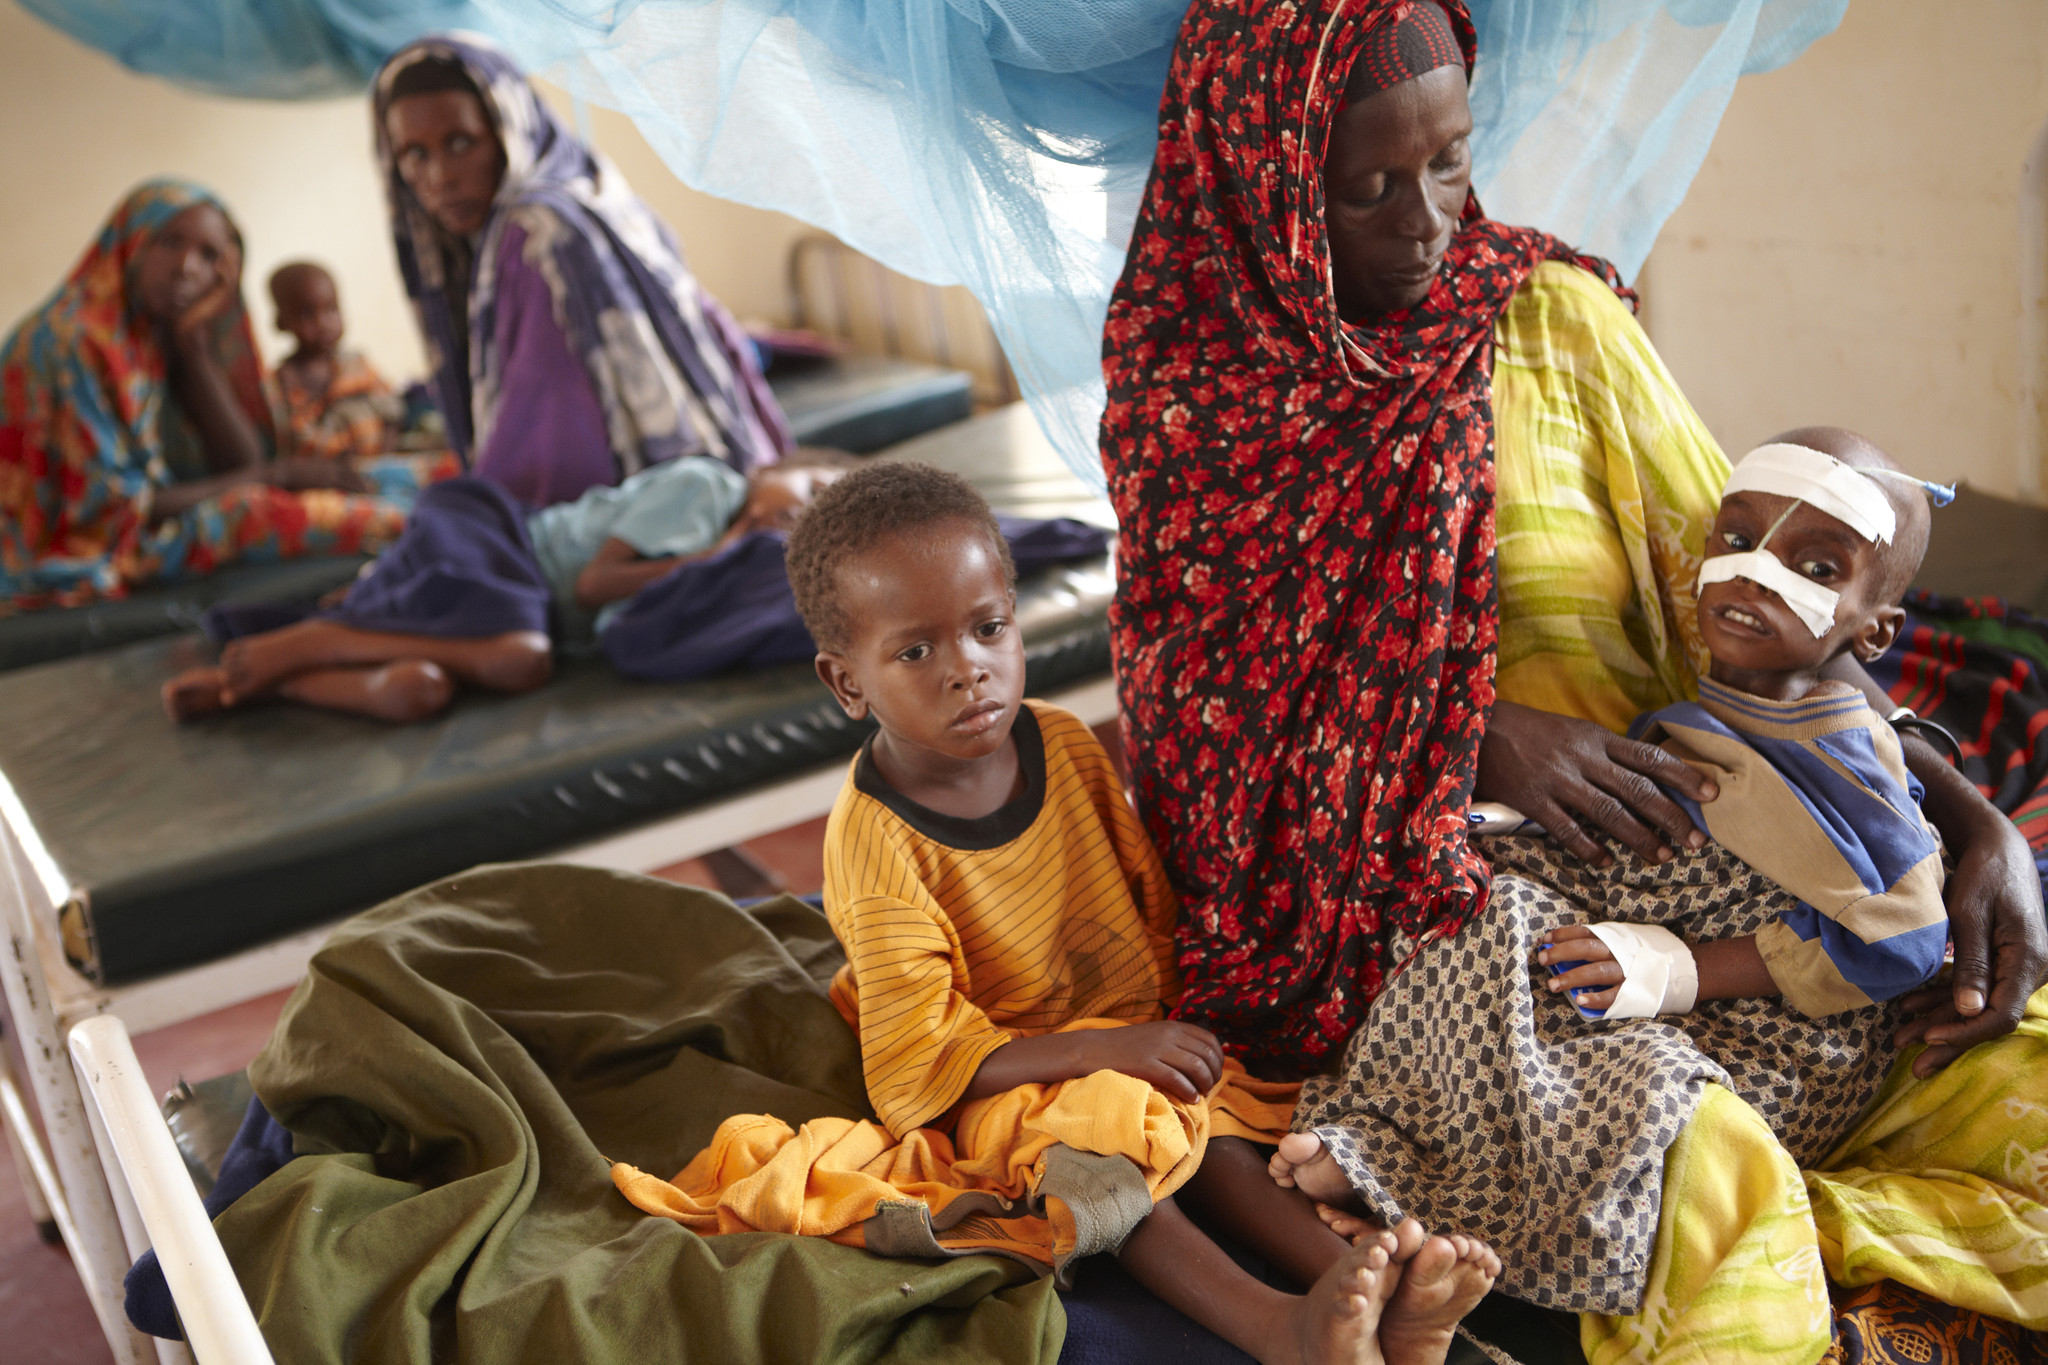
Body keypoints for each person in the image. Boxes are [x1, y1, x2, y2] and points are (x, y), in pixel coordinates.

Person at [1100, 0, 2048, 1357]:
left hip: (1718, 871)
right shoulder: (1194, 397)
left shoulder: (1554, 325)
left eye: (1449, 160)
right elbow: (1207, 753)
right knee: (1694, 1164)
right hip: (1434, 938)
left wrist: (1973, 818)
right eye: (1365, 188)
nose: (1428, 220)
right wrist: (1468, 738)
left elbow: (1762, 611)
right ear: (1258, 188)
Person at [612, 462, 1501, 1365]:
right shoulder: (874, 840)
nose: (968, 670)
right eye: (916, 652)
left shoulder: (1064, 742)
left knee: (1215, 1121)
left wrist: (1165, 1028)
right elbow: (919, 1061)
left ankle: (1374, 1287)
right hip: (1003, 1078)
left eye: (989, 628)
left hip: (1120, 1034)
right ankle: (1279, 1329)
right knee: (1102, 1151)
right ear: (847, 683)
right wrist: (1097, 1050)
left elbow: (1147, 905)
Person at [1269, 430, 1967, 1319]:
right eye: (1737, 538)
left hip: (1774, 1037)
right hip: (1654, 958)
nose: (1754, 575)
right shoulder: (1719, 704)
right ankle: (1388, 1148)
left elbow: (1907, 934)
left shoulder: (1846, 751)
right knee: (1475, 912)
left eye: (1816, 566)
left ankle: (1436, 1200)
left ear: (1876, 633)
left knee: (1631, 1082)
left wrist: (1682, 970)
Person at [373, 35, 790, 509]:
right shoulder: (591, 185)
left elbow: (544, 452)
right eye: (414, 154)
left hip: (656, 515)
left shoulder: (533, 231)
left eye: (461, 142)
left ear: (510, 127)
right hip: (732, 466)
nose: (440, 176)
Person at [160, 457, 833, 723]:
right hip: (489, 541)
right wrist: (726, 544)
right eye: (815, 489)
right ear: (774, 464)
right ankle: (324, 636)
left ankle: (270, 679)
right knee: (520, 656)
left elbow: (620, 631)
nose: (805, 512)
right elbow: (598, 584)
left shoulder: (737, 565)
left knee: (415, 688)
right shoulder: (708, 487)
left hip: (479, 616)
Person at [0, 181, 405, 615]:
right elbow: (117, 511)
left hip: (137, 522)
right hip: (81, 548)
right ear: (128, 241)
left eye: (210, 256)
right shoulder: (71, 344)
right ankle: (432, 530)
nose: (187, 268)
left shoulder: (147, 338)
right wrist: (281, 474)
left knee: (388, 476)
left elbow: (241, 461)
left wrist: (192, 345)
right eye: (169, 243)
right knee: (278, 513)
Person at [268, 260, 418, 462]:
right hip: (323, 475)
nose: (323, 324)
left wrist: (384, 456)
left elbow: (392, 412)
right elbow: (292, 439)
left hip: (378, 462)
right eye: (307, 314)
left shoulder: (356, 365)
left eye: (331, 309)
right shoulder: (283, 381)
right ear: (281, 321)